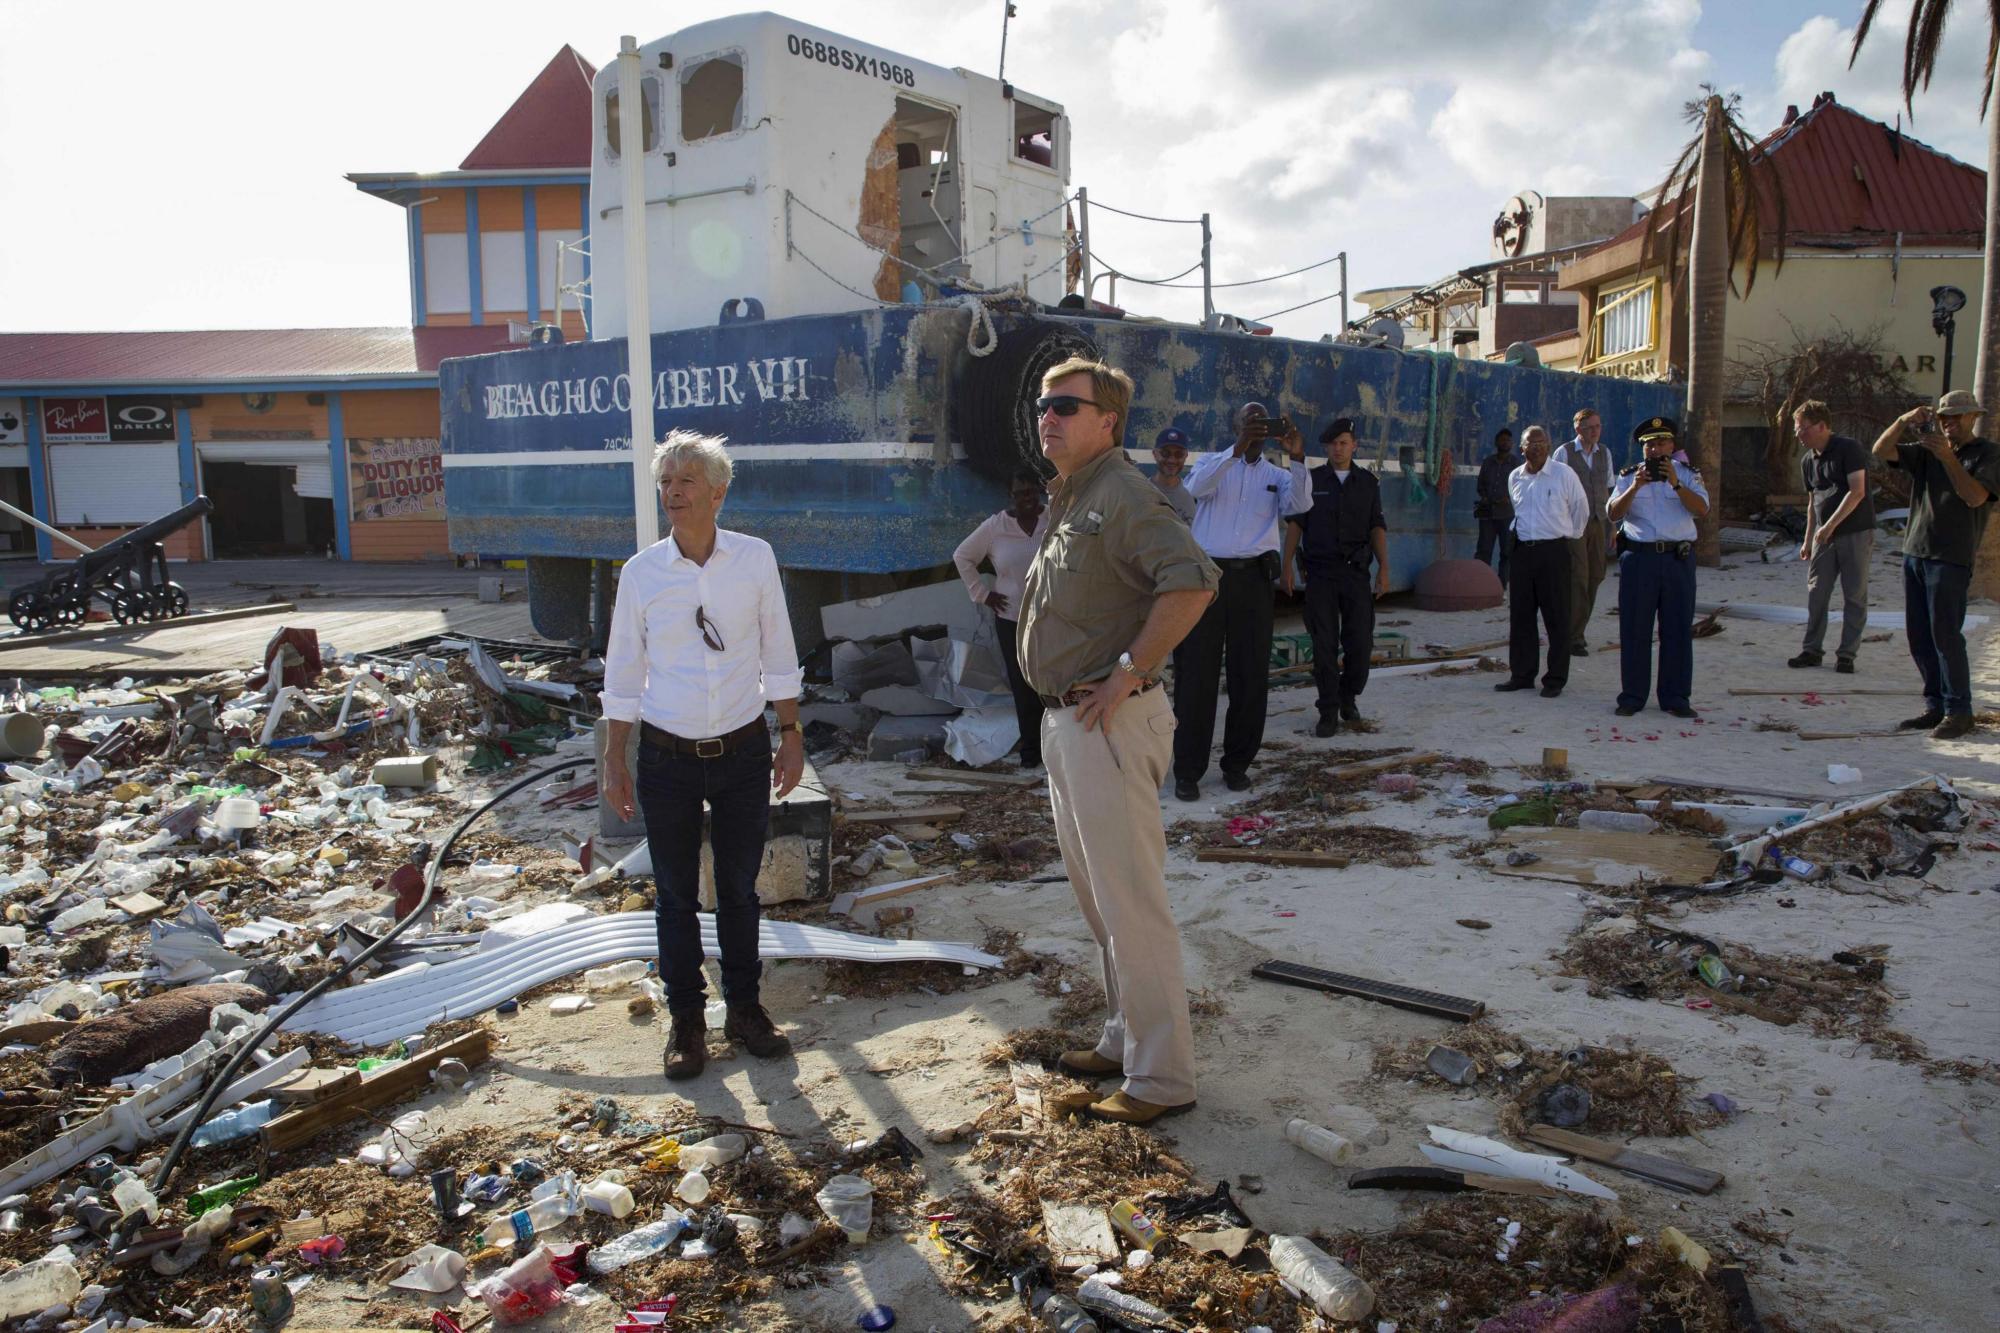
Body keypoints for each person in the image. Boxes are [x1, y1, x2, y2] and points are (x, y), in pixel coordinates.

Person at [1017, 356, 1218, 1125]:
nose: (1050, 416)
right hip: (1068, 722)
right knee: (1102, 903)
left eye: (1067, 405)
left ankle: (1162, 1078)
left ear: (1109, 421)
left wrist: (1130, 671)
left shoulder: (1126, 493)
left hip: (1107, 722)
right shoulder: (1075, 495)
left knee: (1131, 902)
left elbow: (1193, 581)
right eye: (1044, 404)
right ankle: (1123, 1037)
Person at [601, 431, 804, 1082]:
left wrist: (792, 732)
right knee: (674, 894)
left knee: (740, 891)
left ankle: (745, 1007)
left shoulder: (754, 560)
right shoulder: (641, 574)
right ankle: (687, 1018)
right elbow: (624, 669)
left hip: (744, 748)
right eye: (666, 481)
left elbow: (778, 647)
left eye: (687, 480)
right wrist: (614, 756)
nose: (674, 491)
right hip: (665, 754)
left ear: (718, 492)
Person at [1172, 402, 1312, 799]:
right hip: (1208, 579)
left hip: (1253, 580)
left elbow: (1300, 505)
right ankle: (1188, 770)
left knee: (1249, 676)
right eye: (1247, 420)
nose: (1254, 427)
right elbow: (1194, 490)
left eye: (1260, 421)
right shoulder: (1213, 464)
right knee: (1196, 676)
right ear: (1234, 424)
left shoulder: (1276, 474)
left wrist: (1297, 455)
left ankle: (1237, 764)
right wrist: (1236, 449)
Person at [1869, 389, 2000, 740]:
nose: (1949, 423)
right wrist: (1902, 421)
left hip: (1951, 556)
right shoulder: (1929, 451)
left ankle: (1960, 711)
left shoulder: (1987, 454)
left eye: (1957, 416)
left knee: (1946, 635)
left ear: (1973, 417)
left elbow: (1975, 497)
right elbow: (1881, 452)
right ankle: (1935, 705)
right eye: (1944, 417)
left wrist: (1949, 459)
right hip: (1916, 551)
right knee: (1919, 636)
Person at [1281, 417, 1388, 736]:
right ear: (1326, 447)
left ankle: (1348, 696)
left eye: (1345, 443)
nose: (1339, 449)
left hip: (1356, 575)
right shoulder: (1312, 480)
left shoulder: (1368, 483)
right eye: (1333, 444)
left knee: (1360, 642)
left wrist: (1385, 568)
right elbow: (1296, 525)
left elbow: (1376, 527)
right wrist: (1286, 565)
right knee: (1324, 644)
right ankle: (1327, 709)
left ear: (1354, 446)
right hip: (1321, 575)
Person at [1608, 416, 1710, 719]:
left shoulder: (1688, 474)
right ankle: (1632, 696)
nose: (1655, 449)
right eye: (1649, 445)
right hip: (1640, 560)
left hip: (1677, 560)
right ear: (1642, 449)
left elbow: (1702, 509)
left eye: (1661, 443)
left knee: (1677, 629)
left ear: (1672, 445)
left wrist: (1676, 485)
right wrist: (1635, 487)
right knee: (1635, 629)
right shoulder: (1629, 476)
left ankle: (1675, 696)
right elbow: (1613, 513)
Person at [953, 469, 1049, 767]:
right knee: (1023, 685)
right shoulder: (996, 527)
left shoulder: (1054, 518)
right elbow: (962, 556)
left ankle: (1057, 748)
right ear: (1011, 496)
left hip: (1051, 616)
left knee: (1051, 683)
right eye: (1020, 493)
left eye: (1031, 492)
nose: (1027, 499)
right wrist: (982, 594)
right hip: (1012, 618)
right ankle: (1032, 750)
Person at [1496, 425, 1588, 697]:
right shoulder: (1515, 477)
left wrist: (1569, 536)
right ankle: (1522, 675)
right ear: (1521, 448)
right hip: (1524, 552)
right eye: (1530, 443)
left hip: (1554, 552)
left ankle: (1555, 679)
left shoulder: (1563, 474)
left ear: (1548, 446)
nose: (1536, 447)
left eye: (1541, 443)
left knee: (1557, 616)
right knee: (1521, 617)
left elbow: (1580, 509)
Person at [1787, 400, 1875, 674]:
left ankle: (1847, 654)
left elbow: (1857, 491)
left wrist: (1832, 525)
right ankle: (1811, 649)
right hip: (1823, 537)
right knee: (1817, 593)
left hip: (1855, 532)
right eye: (1797, 431)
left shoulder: (1848, 449)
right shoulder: (1807, 461)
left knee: (1854, 594)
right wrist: (1809, 537)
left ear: (1822, 426)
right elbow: (1813, 502)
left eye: (1803, 429)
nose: (1799, 435)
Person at [1558, 408, 1614, 656]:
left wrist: (1612, 526)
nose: (1595, 431)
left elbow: (1609, 491)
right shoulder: (1565, 452)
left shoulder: (1605, 454)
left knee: (1596, 576)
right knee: (1578, 576)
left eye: (1598, 426)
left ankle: (1577, 630)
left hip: (1598, 521)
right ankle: (1572, 637)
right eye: (1590, 427)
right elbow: (1556, 490)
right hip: (1573, 524)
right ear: (1578, 428)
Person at [1474, 428, 1517, 585]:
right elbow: (1480, 485)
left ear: (1512, 444)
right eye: (1502, 440)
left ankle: (1501, 584)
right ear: (1496, 442)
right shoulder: (1488, 462)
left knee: (1506, 551)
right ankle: (1480, 583)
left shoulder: (1516, 464)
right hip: (1488, 514)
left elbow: (1520, 487)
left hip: (1507, 515)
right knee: (1484, 549)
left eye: (1508, 440)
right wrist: (1486, 498)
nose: (1505, 442)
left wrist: (1508, 499)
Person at [1150, 427, 1197, 522]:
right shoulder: (1140, 492)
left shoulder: (1193, 496)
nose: (1172, 460)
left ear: (1186, 456)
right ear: (1155, 454)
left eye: (1179, 454)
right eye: (1165, 453)